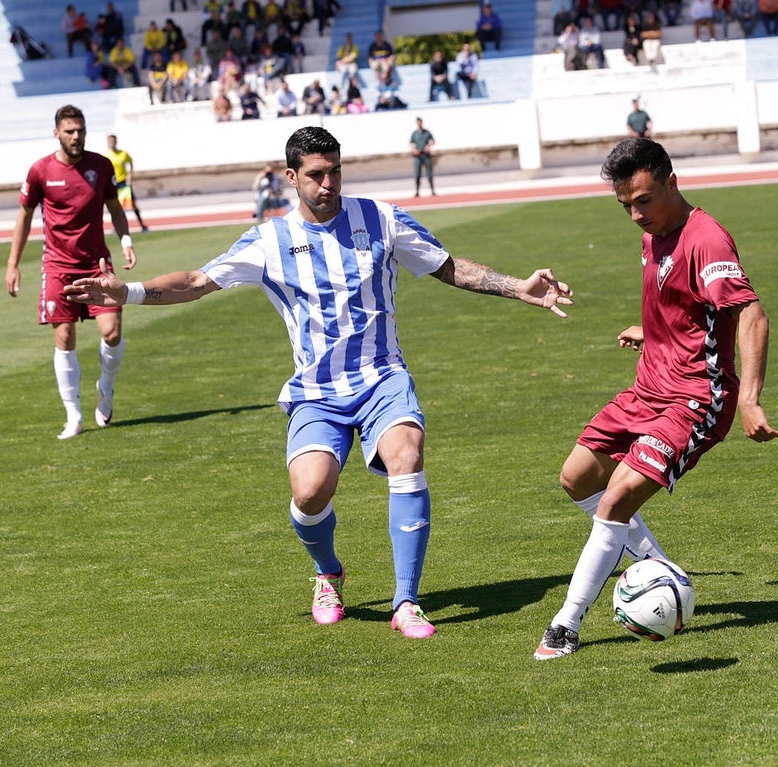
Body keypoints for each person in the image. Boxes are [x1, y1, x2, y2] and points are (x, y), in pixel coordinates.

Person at [65, 126, 572, 637]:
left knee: (407, 454)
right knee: (309, 493)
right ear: (291, 178)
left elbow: (446, 267)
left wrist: (516, 287)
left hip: (381, 377)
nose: (327, 183)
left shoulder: (381, 218)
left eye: (334, 172)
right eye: (315, 175)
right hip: (316, 392)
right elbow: (196, 282)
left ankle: (406, 602)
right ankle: (328, 572)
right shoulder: (269, 240)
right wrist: (126, 291)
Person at [533, 137, 778, 661]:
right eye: (625, 205)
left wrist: (752, 400)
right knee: (576, 478)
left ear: (672, 181)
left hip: (696, 397)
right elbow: (684, 306)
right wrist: (653, 332)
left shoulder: (706, 239)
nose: (635, 215)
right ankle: (666, 575)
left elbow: (750, 314)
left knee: (618, 496)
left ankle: (565, 624)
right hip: (649, 385)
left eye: (644, 200)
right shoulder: (654, 236)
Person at [5, 105, 137, 440]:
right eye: (69, 131)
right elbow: (24, 216)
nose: (76, 136)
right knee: (64, 338)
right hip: (57, 266)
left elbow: (114, 207)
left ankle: (105, 386)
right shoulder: (40, 171)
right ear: (57, 133)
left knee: (112, 333)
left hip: (97, 265)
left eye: (80, 130)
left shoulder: (101, 166)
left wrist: (125, 240)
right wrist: (12, 263)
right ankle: (74, 415)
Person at [105, 134, 150, 233]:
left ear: (116, 142)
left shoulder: (123, 154)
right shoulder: (106, 156)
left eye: (113, 141)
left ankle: (142, 225)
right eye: (110, 141)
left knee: (133, 204)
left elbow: (131, 163)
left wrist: (130, 177)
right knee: (115, 207)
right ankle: (116, 228)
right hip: (113, 184)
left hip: (123, 183)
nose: (112, 143)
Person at [410, 116, 436, 197]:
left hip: (426, 155)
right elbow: (411, 143)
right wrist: (414, 150)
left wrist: (428, 147)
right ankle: (417, 191)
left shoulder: (427, 132)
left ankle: (432, 190)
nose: (419, 123)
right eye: (418, 122)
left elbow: (432, 141)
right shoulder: (414, 133)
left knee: (429, 173)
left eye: (420, 122)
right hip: (418, 156)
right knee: (417, 174)